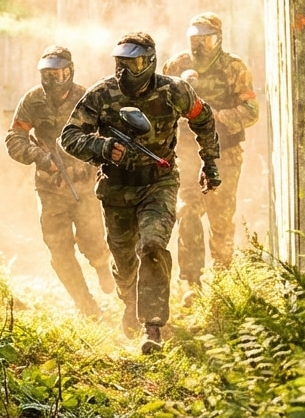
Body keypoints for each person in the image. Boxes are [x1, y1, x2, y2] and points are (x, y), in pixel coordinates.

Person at [59, 32, 220, 351]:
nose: (123, 71)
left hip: (158, 184)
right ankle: (130, 304)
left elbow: (203, 119)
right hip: (116, 188)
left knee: (152, 246)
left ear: (149, 62)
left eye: (131, 64)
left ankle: (153, 327)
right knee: (124, 262)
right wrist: (102, 147)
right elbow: (69, 135)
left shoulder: (174, 90)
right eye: (119, 63)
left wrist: (210, 162)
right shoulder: (101, 94)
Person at [5, 45, 114, 316]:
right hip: (50, 188)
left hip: (85, 186)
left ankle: (102, 265)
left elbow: (105, 136)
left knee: (93, 242)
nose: (56, 80)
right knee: (59, 249)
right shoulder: (33, 101)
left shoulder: (85, 98)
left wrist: (95, 158)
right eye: (50, 74)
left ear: (70, 71)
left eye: (61, 73)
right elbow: (15, 138)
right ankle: (86, 305)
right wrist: (39, 157)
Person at [163, 13, 259, 293]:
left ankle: (222, 284)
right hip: (187, 153)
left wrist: (216, 117)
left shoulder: (234, 67)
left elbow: (251, 111)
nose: (200, 46)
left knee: (220, 221)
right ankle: (192, 283)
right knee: (187, 213)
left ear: (218, 40)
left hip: (223, 154)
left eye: (207, 40)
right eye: (195, 40)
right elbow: (160, 104)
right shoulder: (177, 65)